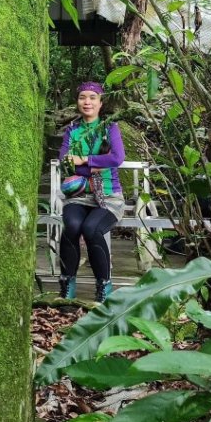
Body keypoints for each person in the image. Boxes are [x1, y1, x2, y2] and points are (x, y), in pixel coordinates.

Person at [57, 81, 126, 303]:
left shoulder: (110, 128)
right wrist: (97, 165)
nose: (87, 102)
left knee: (91, 229)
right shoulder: (72, 130)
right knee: (72, 226)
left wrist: (84, 159)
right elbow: (64, 162)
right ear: (77, 102)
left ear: (101, 102)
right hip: (78, 196)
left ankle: (104, 287)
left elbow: (117, 158)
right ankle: (68, 286)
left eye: (92, 97)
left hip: (108, 196)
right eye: (82, 97)